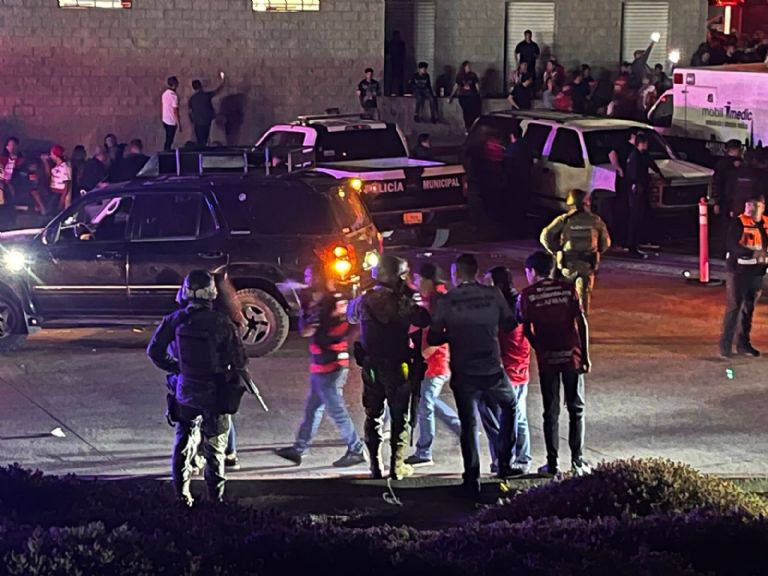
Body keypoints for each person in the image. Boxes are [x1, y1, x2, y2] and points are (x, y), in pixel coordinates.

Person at [147, 270, 247, 506]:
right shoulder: (221, 322)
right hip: (215, 394)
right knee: (215, 450)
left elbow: (154, 351)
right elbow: (240, 360)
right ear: (211, 293)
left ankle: (182, 496)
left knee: (183, 443)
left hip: (186, 392)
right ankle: (216, 501)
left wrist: (177, 368)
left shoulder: (175, 319)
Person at [428, 254, 524, 498]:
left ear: (456, 274)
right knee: (510, 407)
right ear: (476, 272)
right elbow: (510, 324)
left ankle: (472, 478)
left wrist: (455, 334)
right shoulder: (493, 295)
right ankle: (504, 462)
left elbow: (434, 337)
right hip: (492, 368)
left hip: (464, 371)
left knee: (469, 426)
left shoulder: (448, 300)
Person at [275, 265, 367, 468]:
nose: (307, 280)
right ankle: (299, 449)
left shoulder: (331, 302)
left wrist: (307, 311)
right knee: (313, 409)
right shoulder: (324, 301)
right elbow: (310, 331)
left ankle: (356, 450)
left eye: (311, 275)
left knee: (336, 411)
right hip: (323, 365)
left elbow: (318, 330)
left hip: (331, 365)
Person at [349, 255, 430, 480]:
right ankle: (396, 466)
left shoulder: (364, 299)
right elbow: (423, 318)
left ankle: (375, 467)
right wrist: (408, 292)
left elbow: (351, 316)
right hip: (397, 365)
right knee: (399, 417)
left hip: (371, 366)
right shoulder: (401, 301)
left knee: (373, 415)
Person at [519, 251, 590, 478]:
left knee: (551, 411)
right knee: (576, 409)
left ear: (531, 272)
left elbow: (524, 328)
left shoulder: (528, 295)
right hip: (572, 356)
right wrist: (586, 356)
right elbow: (581, 322)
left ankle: (552, 463)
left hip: (547, 359)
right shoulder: (568, 289)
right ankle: (577, 462)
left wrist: (538, 346)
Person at [404, 263, 460, 467]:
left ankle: (424, 451)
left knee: (425, 403)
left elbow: (440, 333)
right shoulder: (432, 299)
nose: (418, 284)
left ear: (428, 280)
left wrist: (425, 351)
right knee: (429, 401)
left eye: (420, 279)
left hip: (435, 362)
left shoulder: (438, 301)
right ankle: (461, 428)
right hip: (430, 362)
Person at [487, 266, 532, 473]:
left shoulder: (505, 307)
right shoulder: (519, 301)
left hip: (508, 368)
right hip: (520, 365)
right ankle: (522, 459)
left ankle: (506, 460)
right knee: (518, 415)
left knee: (503, 417)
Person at [540, 189, 612, 315]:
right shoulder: (595, 220)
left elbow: (545, 236)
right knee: (583, 301)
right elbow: (606, 243)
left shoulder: (564, 220)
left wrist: (556, 251)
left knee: (563, 295)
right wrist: (597, 250)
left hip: (568, 264)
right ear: (587, 203)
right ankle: (581, 327)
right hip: (587, 265)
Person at [720, 195, 768, 358]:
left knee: (749, 309)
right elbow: (731, 245)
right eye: (748, 205)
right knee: (734, 307)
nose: (751, 209)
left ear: (762, 207)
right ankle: (725, 346)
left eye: (755, 205)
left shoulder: (766, 224)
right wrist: (752, 252)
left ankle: (743, 344)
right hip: (738, 271)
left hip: (758, 272)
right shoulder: (738, 222)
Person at [624, 133, 663, 257]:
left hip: (642, 189)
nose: (647, 145)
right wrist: (637, 186)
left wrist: (659, 173)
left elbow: (651, 164)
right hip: (637, 191)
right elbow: (633, 175)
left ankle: (638, 243)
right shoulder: (634, 156)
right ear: (640, 143)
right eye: (645, 143)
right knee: (635, 218)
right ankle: (632, 246)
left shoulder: (643, 155)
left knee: (641, 217)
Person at [608, 129, 638, 248]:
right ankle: (621, 239)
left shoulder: (632, 149)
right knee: (623, 210)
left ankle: (625, 239)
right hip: (623, 182)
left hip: (627, 181)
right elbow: (612, 153)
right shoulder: (624, 147)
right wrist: (619, 169)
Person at [502, 125, 533, 225]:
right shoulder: (527, 146)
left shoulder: (513, 149)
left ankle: (515, 223)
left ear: (512, 135)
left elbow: (508, 164)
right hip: (526, 179)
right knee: (523, 202)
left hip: (515, 180)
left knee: (514, 203)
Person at [189, 73, 226, 148]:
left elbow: (190, 111)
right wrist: (223, 82)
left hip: (197, 122)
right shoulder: (206, 95)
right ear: (200, 86)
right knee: (205, 138)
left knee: (199, 140)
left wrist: (193, 120)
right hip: (206, 121)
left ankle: (200, 154)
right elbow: (216, 91)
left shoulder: (192, 99)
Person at [449, 61, 481, 133]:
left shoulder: (473, 75)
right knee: (466, 112)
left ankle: (473, 127)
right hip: (463, 96)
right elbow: (456, 86)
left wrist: (479, 94)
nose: (469, 68)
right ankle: (467, 127)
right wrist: (451, 96)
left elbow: (477, 85)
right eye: (468, 66)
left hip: (472, 96)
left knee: (473, 112)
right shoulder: (460, 76)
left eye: (470, 66)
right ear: (464, 67)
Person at [0, 137, 24, 229]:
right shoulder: (2, 159)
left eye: (14, 145)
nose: (13, 147)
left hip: (11, 183)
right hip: (4, 184)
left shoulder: (19, 158)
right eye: (11, 145)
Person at [40, 144, 71, 213]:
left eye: (52, 153)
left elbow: (67, 184)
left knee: (51, 211)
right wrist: (45, 162)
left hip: (58, 193)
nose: (51, 156)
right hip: (52, 191)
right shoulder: (55, 166)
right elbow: (48, 174)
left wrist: (62, 199)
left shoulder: (65, 167)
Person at [162, 76, 182, 151]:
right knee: (170, 140)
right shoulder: (174, 96)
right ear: (175, 84)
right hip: (171, 121)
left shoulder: (164, 94)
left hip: (165, 119)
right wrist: (179, 124)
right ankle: (166, 154)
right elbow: (175, 111)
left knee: (168, 139)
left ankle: (166, 152)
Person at [386, 30, 406, 96]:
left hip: (400, 63)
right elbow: (388, 53)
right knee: (391, 78)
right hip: (393, 63)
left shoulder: (401, 44)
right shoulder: (391, 44)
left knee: (400, 79)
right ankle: (390, 92)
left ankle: (400, 92)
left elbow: (403, 54)